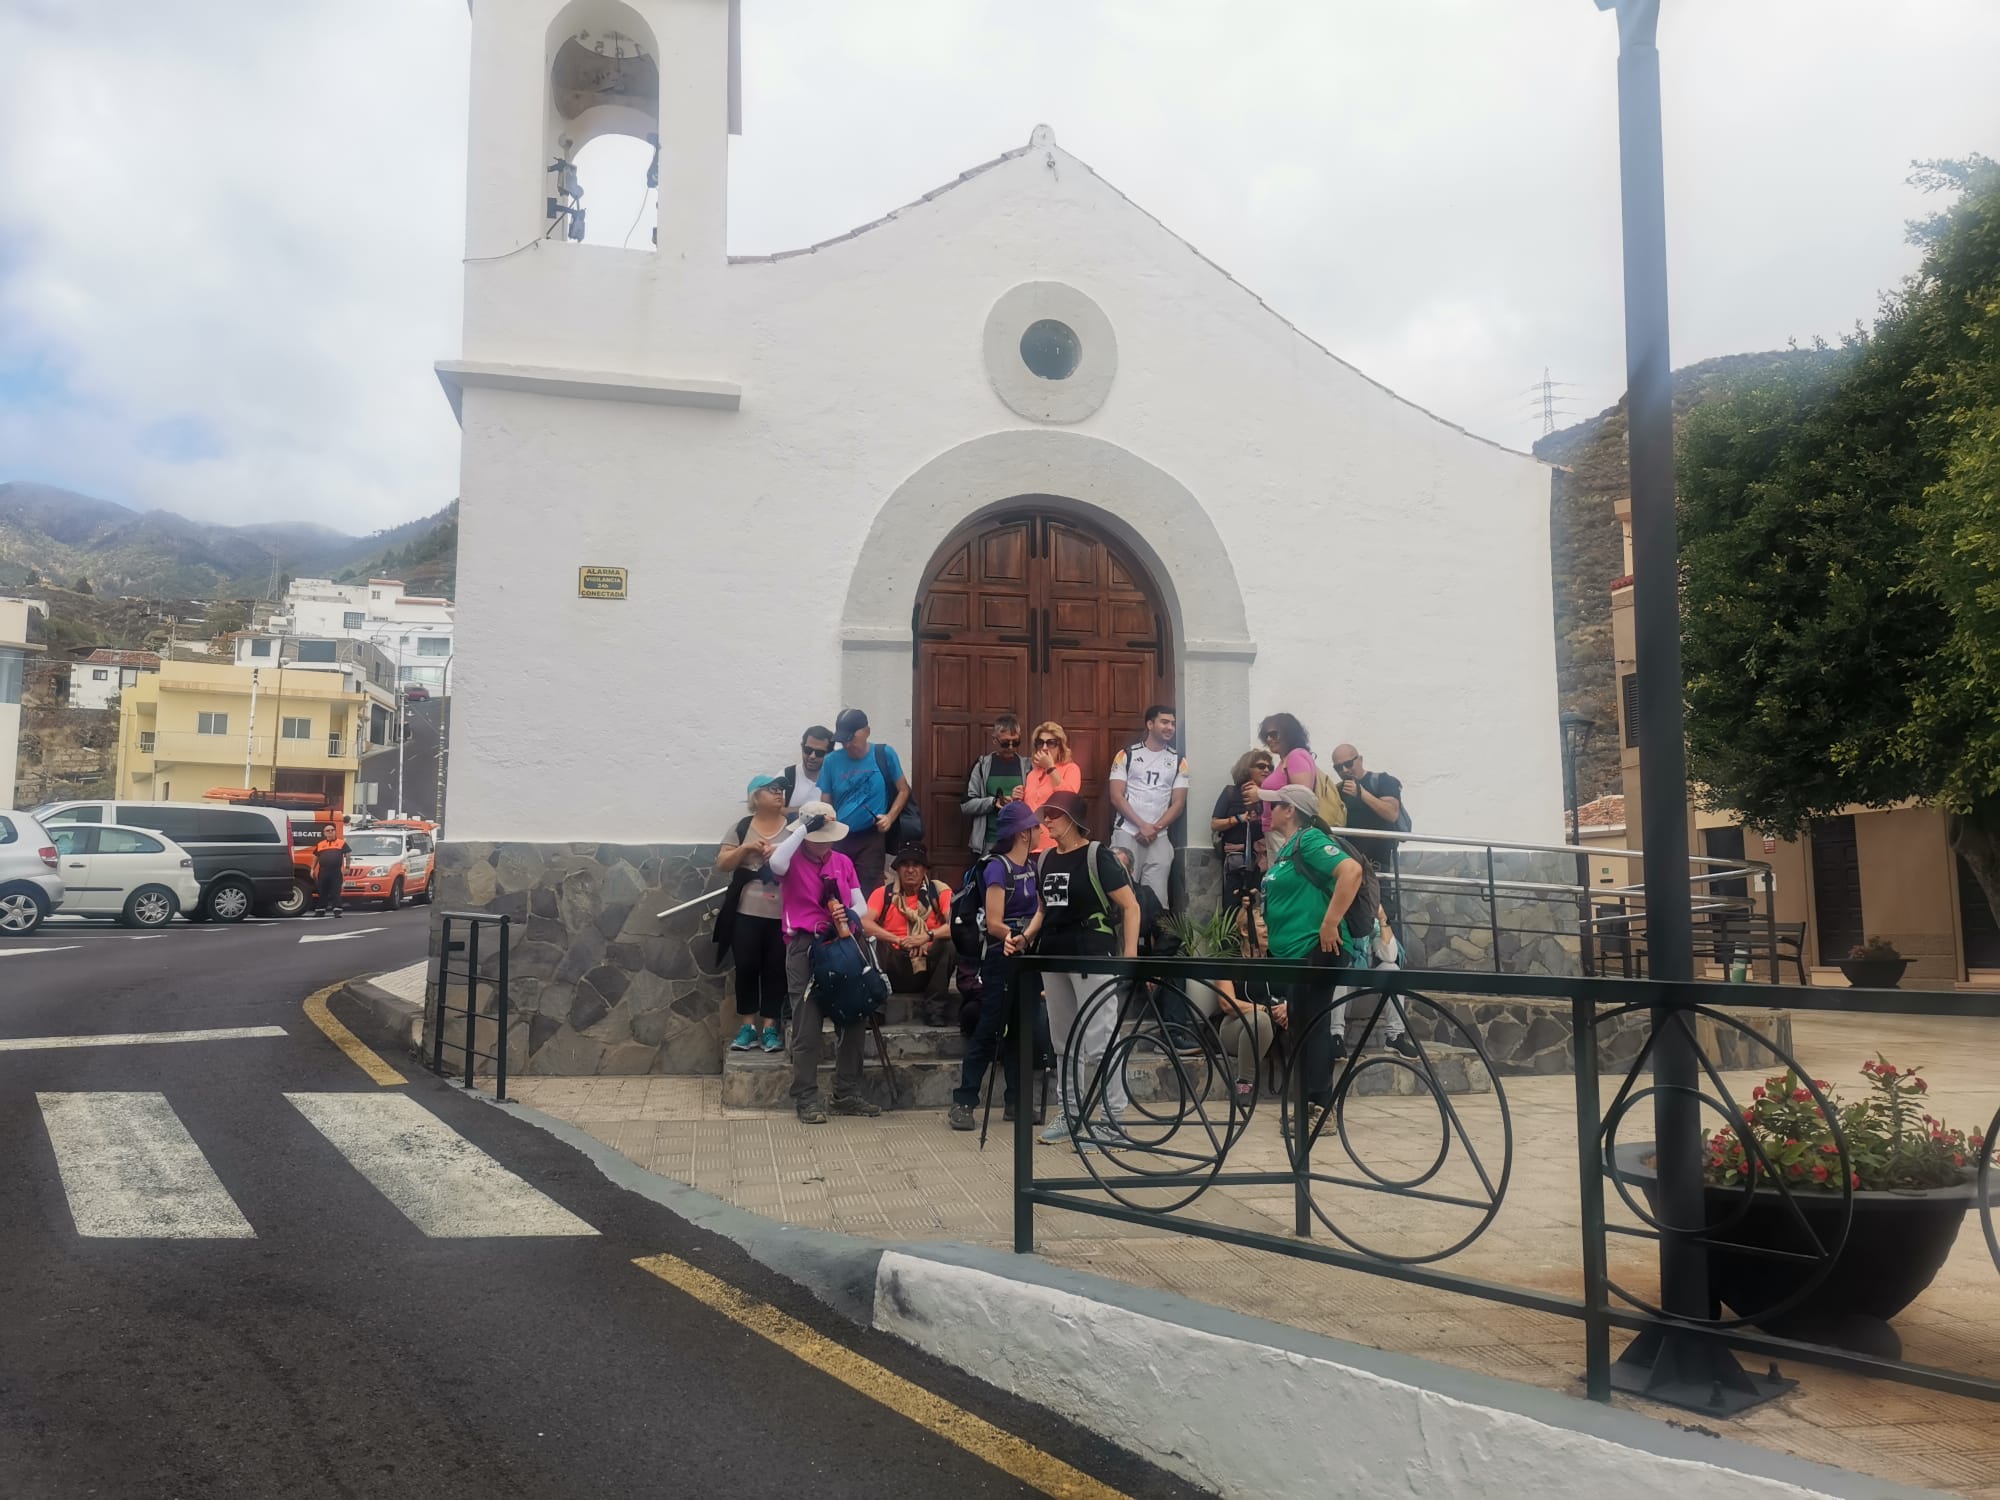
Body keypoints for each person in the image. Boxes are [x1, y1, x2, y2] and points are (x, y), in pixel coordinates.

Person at [1022, 790, 1141, 1151]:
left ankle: (1112, 1121)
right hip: (1053, 953)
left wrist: (1131, 954)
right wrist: (1025, 938)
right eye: (1045, 815)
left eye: (1054, 815)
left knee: (1100, 1038)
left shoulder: (1096, 856)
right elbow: (1044, 910)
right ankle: (1070, 1113)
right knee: (1064, 1039)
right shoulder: (1043, 860)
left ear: (1073, 819)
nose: (1046, 822)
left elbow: (1130, 905)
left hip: (1091, 952)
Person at [767, 801, 891, 1124]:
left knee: (854, 1018)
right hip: (805, 946)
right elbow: (776, 863)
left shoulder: (843, 862)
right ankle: (806, 1097)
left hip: (842, 945)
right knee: (806, 1026)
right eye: (819, 836)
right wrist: (805, 828)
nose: (826, 843)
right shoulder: (792, 859)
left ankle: (845, 1092)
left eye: (828, 837)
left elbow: (861, 908)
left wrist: (846, 914)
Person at [1258, 782, 1367, 1115]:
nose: (1268, 809)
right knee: (1304, 1023)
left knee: (1312, 1025)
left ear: (1290, 810)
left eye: (1274, 804)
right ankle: (1311, 1104)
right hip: (1296, 953)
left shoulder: (1309, 839)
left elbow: (1351, 870)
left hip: (1317, 948)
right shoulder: (1290, 847)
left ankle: (1319, 1107)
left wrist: (1330, 922)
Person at [948, 799, 1042, 1131]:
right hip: (1001, 959)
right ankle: (963, 1101)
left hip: (1026, 955)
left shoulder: (1033, 865)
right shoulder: (997, 868)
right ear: (1021, 833)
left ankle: (1016, 1102)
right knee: (990, 1029)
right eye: (1033, 826)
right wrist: (1021, 935)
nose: (1038, 830)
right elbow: (994, 922)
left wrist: (1028, 939)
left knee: (1022, 1030)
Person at [715, 775, 790, 1054]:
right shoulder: (742, 827)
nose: (779, 793)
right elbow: (722, 863)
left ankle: (770, 1027)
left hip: (782, 912)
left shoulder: (792, 829)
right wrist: (745, 848)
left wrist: (780, 854)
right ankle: (748, 1026)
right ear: (755, 797)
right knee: (746, 965)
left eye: (781, 789)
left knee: (775, 968)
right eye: (772, 790)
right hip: (746, 910)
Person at [819, 708, 911, 896]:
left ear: (867, 731)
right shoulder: (831, 761)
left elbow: (904, 789)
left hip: (871, 836)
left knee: (867, 892)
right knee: (837, 888)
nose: (848, 744)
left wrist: (889, 817)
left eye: (852, 738)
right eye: (843, 740)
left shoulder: (884, 754)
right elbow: (825, 801)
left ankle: (863, 925)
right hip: (839, 837)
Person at [1107, 704, 1189, 908]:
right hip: (1128, 832)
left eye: (1172, 723)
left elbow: (1178, 804)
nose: (1170, 727)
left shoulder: (1179, 760)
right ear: (1150, 724)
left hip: (1159, 837)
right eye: (1164, 722)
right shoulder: (1126, 754)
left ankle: (1154, 940)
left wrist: (1155, 828)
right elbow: (1116, 796)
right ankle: (1126, 941)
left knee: (1157, 900)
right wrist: (1142, 825)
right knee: (1121, 894)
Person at [867, 844, 953, 1022]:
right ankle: (876, 1008)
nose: (911, 870)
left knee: (949, 943)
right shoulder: (883, 893)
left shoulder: (939, 891)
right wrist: (897, 939)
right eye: (905, 865)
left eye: (916, 865)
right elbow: (863, 923)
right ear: (897, 869)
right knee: (871, 940)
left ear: (924, 869)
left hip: (927, 969)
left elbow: (955, 925)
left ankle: (935, 1010)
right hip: (893, 968)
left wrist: (926, 936)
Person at [1257, 713, 1325, 863]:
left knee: (1285, 874)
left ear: (1288, 733)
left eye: (1273, 734)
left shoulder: (1296, 756)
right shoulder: (1286, 760)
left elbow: (1301, 796)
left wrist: (1259, 794)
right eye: (1266, 736)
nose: (1269, 739)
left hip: (1288, 829)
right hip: (1280, 828)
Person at [1210, 747, 1273, 908]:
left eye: (1269, 767)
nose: (1266, 770)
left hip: (1261, 861)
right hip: (1235, 861)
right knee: (1232, 906)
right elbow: (1215, 823)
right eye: (1261, 766)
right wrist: (1238, 819)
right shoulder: (1231, 792)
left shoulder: (1268, 795)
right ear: (1247, 769)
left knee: (1259, 907)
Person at [960, 715, 1027, 858]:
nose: (1010, 748)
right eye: (1005, 743)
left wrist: (1020, 800)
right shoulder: (982, 766)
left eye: (1015, 742)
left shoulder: (1028, 767)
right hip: (988, 844)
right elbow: (966, 805)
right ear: (994, 740)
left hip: (1019, 843)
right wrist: (993, 802)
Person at [1021, 722, 1082, 855]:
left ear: (1060, 746)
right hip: (1030, 845)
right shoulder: (1032, 775)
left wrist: (1050, 768)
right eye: (1040, 743)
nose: (1044, 748)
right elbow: (1030, 807)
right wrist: (1018, 797)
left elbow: (1068, 798)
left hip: (1056, 845)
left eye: (1051, 743)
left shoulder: (1071, 769)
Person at [778, 726, 835, 810]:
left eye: (819, 753)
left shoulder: (835, 780)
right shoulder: (786, 776)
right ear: (802, 747)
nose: (812, 756)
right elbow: (772, 811)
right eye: (808, 750)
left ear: (829, 754)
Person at [312, 822, 348, 918]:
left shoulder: (341, 843)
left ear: (335, 832)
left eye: (332, 830)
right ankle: (320, 910)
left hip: (335, 871)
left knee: (335, 891)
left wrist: (347, 867)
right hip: (323, 871)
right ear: (324, 833)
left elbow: (347, 855)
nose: (330, 832)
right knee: (322, 890)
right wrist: (312, 869)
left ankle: (337, 910)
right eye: (328, 831)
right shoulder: (320, 844)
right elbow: (316, 857)